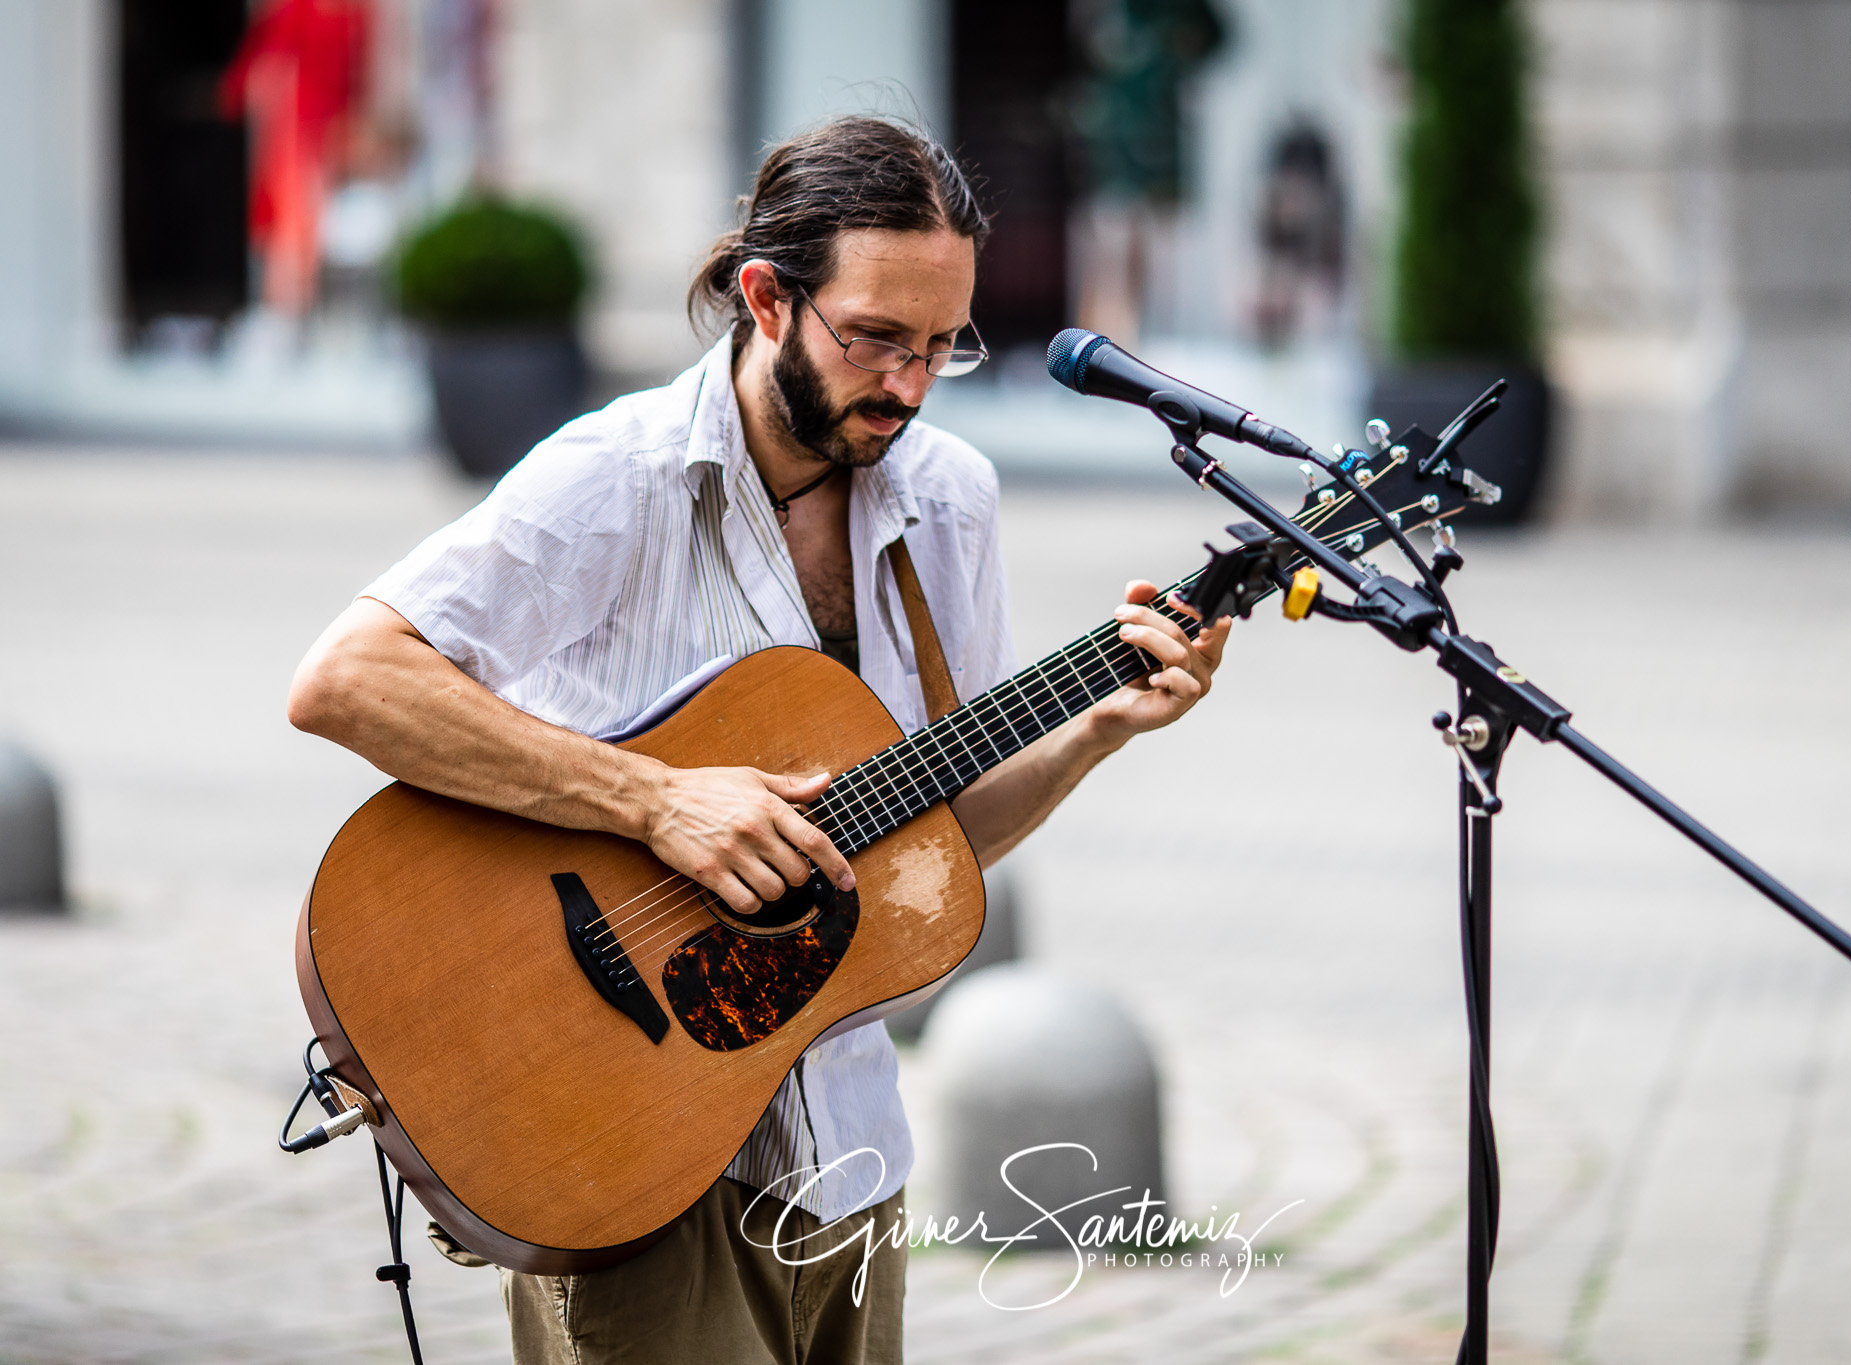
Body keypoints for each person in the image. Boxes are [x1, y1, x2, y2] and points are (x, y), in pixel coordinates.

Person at [286, 116, 1229, 1365]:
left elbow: (925, 850)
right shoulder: (615, 478)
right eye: (876, 338)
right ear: (767, 299)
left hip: (848, 1159)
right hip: (627, 1153)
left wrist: (1092, 733)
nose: (904, 383)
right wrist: (651, 803)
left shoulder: (948, 500)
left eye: (941, 347)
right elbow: (345, 680)